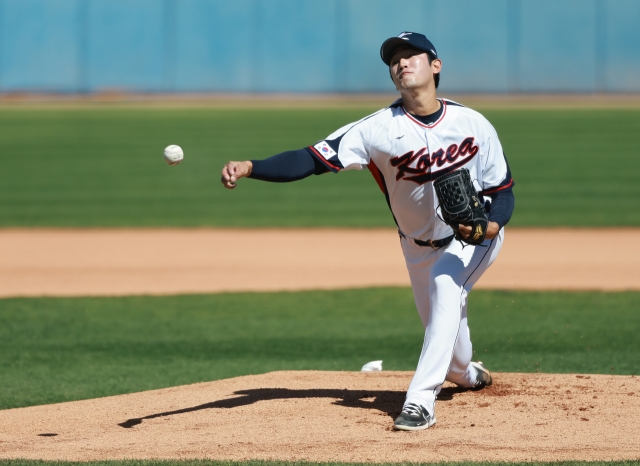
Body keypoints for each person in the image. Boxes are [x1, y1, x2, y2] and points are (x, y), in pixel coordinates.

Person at [220, 32, 515, 431]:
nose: (402, 63)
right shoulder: (376, 129)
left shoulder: (473, 123)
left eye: (412, 55)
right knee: (451, 349)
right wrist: (252, 166)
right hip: (416, 249)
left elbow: (502, 191)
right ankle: (466, 374)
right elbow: (310, 159)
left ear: (436, 65)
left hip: (472, 239)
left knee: (447, 283)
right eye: (395, 59)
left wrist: (491, 225)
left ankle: (420, 403)